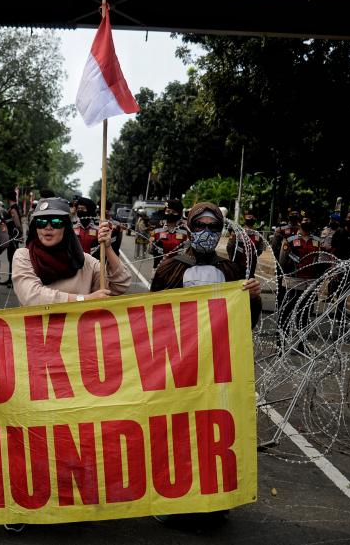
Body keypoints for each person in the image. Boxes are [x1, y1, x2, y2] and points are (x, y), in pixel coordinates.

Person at [148, 201, 261, 530]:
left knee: (214, 437)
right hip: (179, 368)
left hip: (217, 369)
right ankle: (176, 502)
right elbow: (151, 321)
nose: (207, 233)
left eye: (214, 228)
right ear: (189, 227)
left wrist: (252, 298)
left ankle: (214, 505)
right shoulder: (170, 268)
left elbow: (245, 325)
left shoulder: (230, 270)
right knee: (179, 435)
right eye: (201, 226)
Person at [12, 197, 131, 306]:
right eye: (41, 222)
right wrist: (84, 299)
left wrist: (108, 247)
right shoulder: (23, 256)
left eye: (56, 222)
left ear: (67, 227)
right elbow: (31, 297)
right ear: (35, 227)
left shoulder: (84, 261)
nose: (48, 227)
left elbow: (120, 286)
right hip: (38, 329)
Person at [278, 213, 328, 350]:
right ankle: (281, 343)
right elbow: (282, 261)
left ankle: (302, 344)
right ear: (300, 222)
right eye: (305, 219)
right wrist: (283, 276)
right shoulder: (290, 239)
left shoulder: (317, 241)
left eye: (310, 219)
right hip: (293, 281)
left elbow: (322, 260)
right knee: (286, 314)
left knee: (305, 315)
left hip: (309, 283)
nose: (308, 221)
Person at [149, 199, 189, 269]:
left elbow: (188, 252)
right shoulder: (157, 226)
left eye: (174, 212)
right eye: (168, 211)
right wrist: (153, 246)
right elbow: (150, 248)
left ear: (179, 213)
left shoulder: (185, 229)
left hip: (178, 270)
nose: (170, 213)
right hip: (159, 268)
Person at [227, 210, 265, 277]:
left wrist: (253, 255)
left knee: (249, 282)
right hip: (238, 264)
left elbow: (260, 249)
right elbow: (230, 247)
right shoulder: (238, 232)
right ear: (245, 219)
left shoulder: (257, 234)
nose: (250, 219)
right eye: (248, 217)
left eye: (252, 217)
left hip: (251, 265)